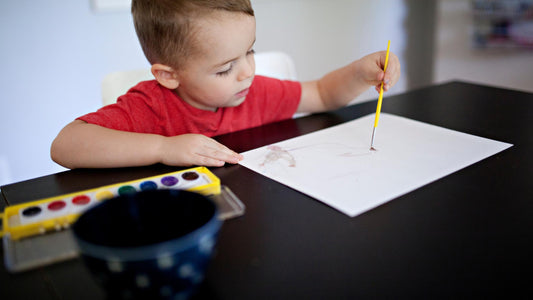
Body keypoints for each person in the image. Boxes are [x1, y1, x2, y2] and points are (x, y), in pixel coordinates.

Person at [51, 0, 400, 169]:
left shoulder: (253, 90)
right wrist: (163, 148)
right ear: (169, 75)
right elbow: (66, 144)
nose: (248, 71)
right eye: (225, 68)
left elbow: (322, 93)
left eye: (250, 52)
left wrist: (359, 73)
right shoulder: (152, 105)